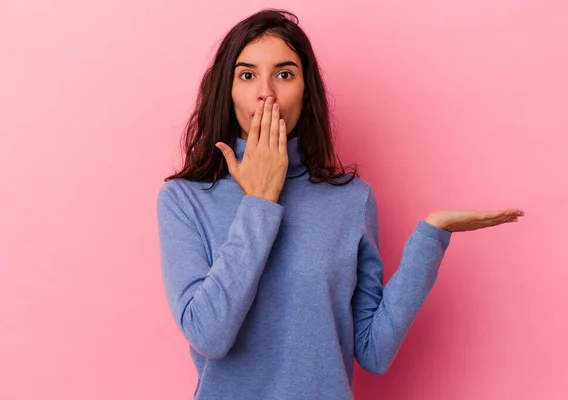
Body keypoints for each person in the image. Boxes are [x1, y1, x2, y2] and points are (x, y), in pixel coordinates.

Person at [156, 8, 524, 400]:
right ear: (226, 92)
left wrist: (431, 238)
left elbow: (374, 351)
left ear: (306, 89)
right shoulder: (184, 199)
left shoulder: (351, 199)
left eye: (284, 74)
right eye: (247, 75)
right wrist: (260, 201)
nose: (266, 92)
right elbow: (208, 335)